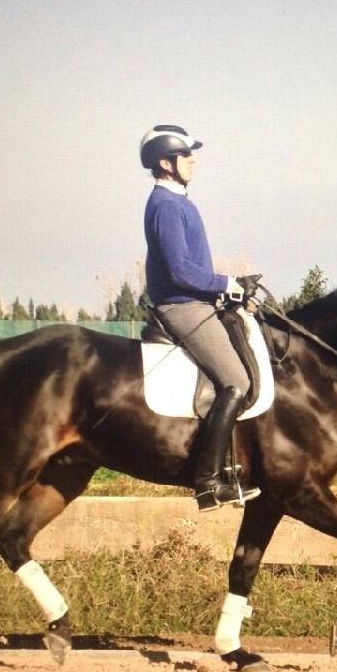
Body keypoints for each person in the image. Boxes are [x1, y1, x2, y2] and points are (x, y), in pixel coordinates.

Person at [140, 124, 261, 512]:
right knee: (238, 380)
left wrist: (226, 290)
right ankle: (208, 482)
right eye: (186, 155)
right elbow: (179, 271)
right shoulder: (165, 205)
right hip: (182, 305)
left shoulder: (180, 201)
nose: (193, 161)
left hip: (198, 301)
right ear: (166, 162)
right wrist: (226, 282)